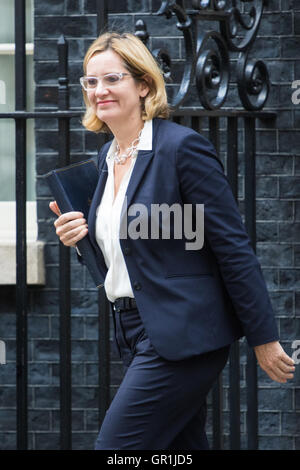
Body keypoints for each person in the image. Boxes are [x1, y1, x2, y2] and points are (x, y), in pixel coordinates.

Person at [49, 32, 295, 450]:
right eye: (90, 82)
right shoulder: (105, 160)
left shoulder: (181, 149)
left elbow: (231, 246)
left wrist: (263, 337)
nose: (99, 91)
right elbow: (132, 255)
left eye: (112, 78)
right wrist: (79, 239)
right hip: (131, 327)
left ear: (143, 84)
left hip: (181, 332)